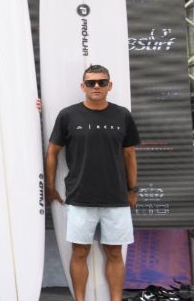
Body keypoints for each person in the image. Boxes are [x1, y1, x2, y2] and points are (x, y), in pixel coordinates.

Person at [45, 65, 140, 301]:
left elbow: (130, 155)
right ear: (82, 86)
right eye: (90, 82)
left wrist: (133, 189)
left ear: (110, 85)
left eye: (101, 82)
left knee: (115, 253)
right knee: (80, 252)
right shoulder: (68, 115)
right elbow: (52, 152)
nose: (96, 86)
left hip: (116, 197)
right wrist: (50, 186)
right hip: (79, 196)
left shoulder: (122, 115)